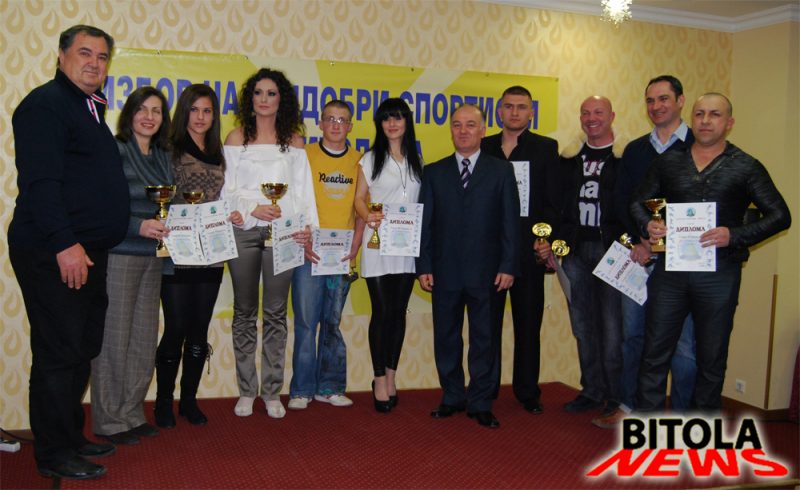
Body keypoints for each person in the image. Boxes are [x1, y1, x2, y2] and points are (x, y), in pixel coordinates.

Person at [9, 24, 129, 480]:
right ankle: (53, 453)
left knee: (81, 347)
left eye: (101, 56)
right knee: (59, 351)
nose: (94, 63)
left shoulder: (88, 108)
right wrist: (64, 243)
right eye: (84, 53)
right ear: (61, 56)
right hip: (55, 249)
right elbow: (40, 184)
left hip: (88, 250)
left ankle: (71, 436)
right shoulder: (46, 105)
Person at [630, 93, 790, 412]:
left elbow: (780, 216)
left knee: (711, 359)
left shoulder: (746, 166)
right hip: (670, 273)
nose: (705, 120)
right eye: (700, 114)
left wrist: (734, 235)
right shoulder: (669, 161)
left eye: (714, 114)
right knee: (654, 354)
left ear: (729, 123)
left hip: (719, 273)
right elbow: (638, 202)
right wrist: (649, 224)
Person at [595, 75, 698, 428]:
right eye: (651, 100)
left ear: (680, 101)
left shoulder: (698, 146)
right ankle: (629, 406)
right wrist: (639, 242)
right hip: (639, 258)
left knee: (684, 346)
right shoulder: (636, 150)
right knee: (632, 335)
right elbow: (622, 202)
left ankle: (684, 419)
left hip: (684, 263)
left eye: (664, 99)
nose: (656, 106)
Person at [223, 68, 318, 419]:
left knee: (276, 314)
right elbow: (226, 192)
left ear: (282, 100)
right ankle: (247, 390)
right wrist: (252, 208)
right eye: (258, 93)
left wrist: (308, 229)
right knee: (244, 312)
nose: (264, 99)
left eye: (271, 93)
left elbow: (304, 192)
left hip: (284, 234)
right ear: (250, 98)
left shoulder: (294, 142)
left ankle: (272, 391)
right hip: (244, 232)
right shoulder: (236, 138)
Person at [418, 104, 520, 428]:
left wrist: (508, 265)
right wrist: (423, 265)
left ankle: (480, 401)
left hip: (487, 272)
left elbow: (510, 222)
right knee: (446, 337)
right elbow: (425, 224)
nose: (463, 131)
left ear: (483, 130)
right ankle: (452, 396)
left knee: (484, 339)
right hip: (444, 271)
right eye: (457, 125)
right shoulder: (434, 172)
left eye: (470, 125)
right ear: (450, 129)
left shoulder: (501, 171)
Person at [154, 84, 243, 428]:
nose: (201, 117)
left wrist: (231, 213)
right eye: (194, 110)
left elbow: (226, 196)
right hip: (177, 251)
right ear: (184, 112)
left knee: (198, 329)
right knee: (175, 327)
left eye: (207, 111)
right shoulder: (169, 149)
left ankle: (188, 401)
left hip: (211, 252)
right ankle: (164, 401)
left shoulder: (220, 152)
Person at [91, 86, 172, 445]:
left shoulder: (163, 156)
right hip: (121, 252)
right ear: (130, 113)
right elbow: (100, 205)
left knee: (142, 337)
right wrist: (137, 226)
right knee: (114, 339)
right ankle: (109, 420)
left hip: (153, 257)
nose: (149, 117)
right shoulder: (115, 150)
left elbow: (171, 205)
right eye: (142, 109)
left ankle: (132, 412)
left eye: (156, 110)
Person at [536, 96, 624, 416]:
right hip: (573, 251)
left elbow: (632, 204)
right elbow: (557, 207)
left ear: (612, 116)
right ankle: (592, 390)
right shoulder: (568, 159)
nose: (591, 118)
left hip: (612, 251)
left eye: (598, 112)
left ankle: (616, 396)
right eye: (585, 113)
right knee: (582, 325)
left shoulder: (624, 157)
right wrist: (553, 247)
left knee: (612, 328)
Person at [480, 86, 559, 414]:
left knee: (528, 325)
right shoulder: (484, 146)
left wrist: (547, 240)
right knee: (487, 326)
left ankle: (527, 391)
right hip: (489, 252)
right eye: (509, 106)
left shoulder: (545, 148)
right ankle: (486, 388)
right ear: (499, 111)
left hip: (529, 251)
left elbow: (553, 201)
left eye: (521, 107)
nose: (515, 112)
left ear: (531, 112)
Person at [287, 100, 364, 410]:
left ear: (350, 126)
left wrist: (356, 244)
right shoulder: (304, 155)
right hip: (308, 254)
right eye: (330, 119)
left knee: (332, 323)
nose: (335, 125)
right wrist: (303, 240)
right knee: (306, 323)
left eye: (342, 120)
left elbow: (363, 207)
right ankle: (301, 389)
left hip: (341, 257)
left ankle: (329, 387)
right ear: (319, 123)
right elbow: (293, 201)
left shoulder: (360, 161)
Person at [354, 98, 423, 413]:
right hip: (378, 244)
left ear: (407, 122)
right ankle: (378, 378)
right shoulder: (370, 159)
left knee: (398, 312)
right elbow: (358, 199)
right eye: (386, 119)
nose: (392, 124)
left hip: (407, 247)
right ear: (379, 124)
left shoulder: (417, 160)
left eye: (397, 118)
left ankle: (392, 375)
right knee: (382, 312)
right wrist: (368, 215)